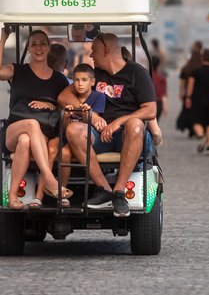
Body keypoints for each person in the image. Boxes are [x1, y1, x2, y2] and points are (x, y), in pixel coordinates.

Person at [59, 32, 157, 217]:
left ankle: (119, 192)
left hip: (127, 136)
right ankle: (104, 189)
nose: (91, 55)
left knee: (136, 124)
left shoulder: (137, 73)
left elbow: (150, 110)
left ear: (105, 50)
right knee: (73, 129)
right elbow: (64, 96)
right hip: (98, 134)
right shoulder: (96, 75)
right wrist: (91, 114)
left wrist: (119, 122)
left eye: (94, 50)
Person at [0, 28, 71, 210]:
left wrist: (52, 105)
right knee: (31, 125)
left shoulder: (59, 79)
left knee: (26, 140)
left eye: (42, 43)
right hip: (14, 129)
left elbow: (66, 105)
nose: (38, 48)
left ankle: (12, 197)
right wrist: (3, 37)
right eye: (33, 44)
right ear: (28, 48)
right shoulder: (18, 70)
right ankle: (49, 179)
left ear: (48, 47)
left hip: (41, 137)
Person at [59, 63, 106, 188]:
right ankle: (62, 190)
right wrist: (67, 116)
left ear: (92, 82)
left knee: (67, 150)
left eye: (84, 80)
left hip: (85, 138)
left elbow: (94, 122)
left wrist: (86, 113)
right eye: (77, 80)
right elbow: (64, 127)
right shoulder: (70, 98)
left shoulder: (98, 97)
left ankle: (96, 185)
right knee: (64, 153)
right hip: (68, 137)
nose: (80, 84)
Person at [186, 48, 209, 155]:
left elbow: (190, 85)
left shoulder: (196, 71)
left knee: (196, 121)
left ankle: (202, 136)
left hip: (198, 100)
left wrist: (188, 97)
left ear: (203, 58)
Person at [176, 45, 202, 137]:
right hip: (199, 93)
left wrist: (181, 92)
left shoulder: (186, 68)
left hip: (188, 92)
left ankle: (191, 129)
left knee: (188, 111)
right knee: (198, 112)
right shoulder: (201, 68)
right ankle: (197, 130)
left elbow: (182, 82)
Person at [151, 55, 168, 122]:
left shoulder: (146, 76)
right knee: (156, 123)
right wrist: (165, 107)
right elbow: (163, 94)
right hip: (158, 103)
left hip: (147, 103)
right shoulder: (161, 77)